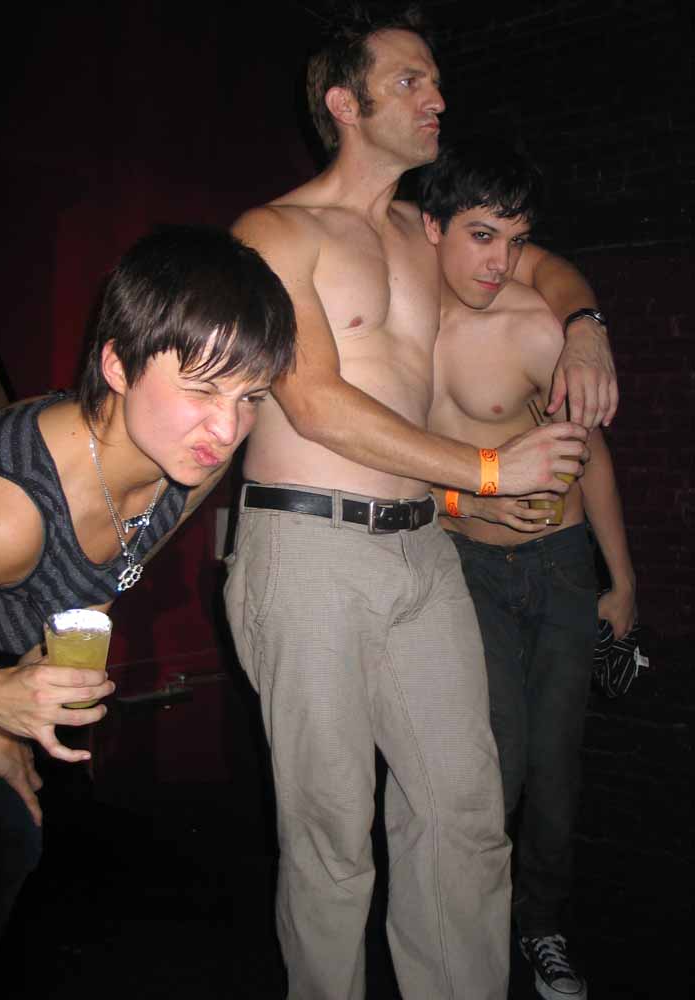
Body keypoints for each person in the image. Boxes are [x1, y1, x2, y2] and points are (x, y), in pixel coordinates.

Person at [226, 8, 618, 999]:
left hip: (422, 551)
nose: (437, 96)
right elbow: (315, 401)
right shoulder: (274, 232)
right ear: (344, 103)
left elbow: (534, 264)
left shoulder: (420, 230)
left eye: (436, 80)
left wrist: (584, 325)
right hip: (308, 545)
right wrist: (484, 472)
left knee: (465, 813)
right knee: (331, 831)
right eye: (410, 81)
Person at [0, 223, 296, 975]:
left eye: (251, 396)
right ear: (116, 364)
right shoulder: (8, 512)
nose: (227, 428)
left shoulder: (189, 467)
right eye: (201, 388)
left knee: (11, 851)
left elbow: (100, 586)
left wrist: (13, 716)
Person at [420, 135, 637, 1000]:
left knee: (553, 765)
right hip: (461, 568)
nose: (500, 263)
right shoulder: (396, 324)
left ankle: (542, 925)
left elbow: (593, 455)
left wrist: (622, 579)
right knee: (491, 761)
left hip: (555, 567)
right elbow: (377, 456)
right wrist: (459, 506)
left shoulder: (530, 324)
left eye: (515, 243)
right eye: (482, 236)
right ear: (432, 227)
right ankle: (470, 928)